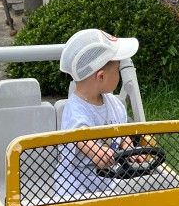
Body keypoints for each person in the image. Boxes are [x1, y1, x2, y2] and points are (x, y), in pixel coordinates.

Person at [56, 29, 140, 196]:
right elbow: (81, 137)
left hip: (108, 181)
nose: (119, 74)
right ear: (101, 76)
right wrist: (97, 152)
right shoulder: (75, 111)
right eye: (117, 69)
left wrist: (131, 151)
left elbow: (122, 134)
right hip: (76, 188)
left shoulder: (114, 104)